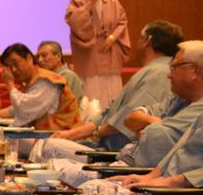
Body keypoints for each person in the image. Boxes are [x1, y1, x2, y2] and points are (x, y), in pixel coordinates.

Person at [42, 41, 203, 187]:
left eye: (175, 67)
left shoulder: (159, 76)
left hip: (143, 175)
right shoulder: (177, 99)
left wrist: (147, 128)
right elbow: (131, 117)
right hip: (128, 164)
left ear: (195, 70)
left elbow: (155, 138)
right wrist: (152, 122)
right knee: (50, 152)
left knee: (69, 176)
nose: (169, 74)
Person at [47, 20, 181, 147]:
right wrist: (72, 134)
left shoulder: (160, 73)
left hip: (120, 152)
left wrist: (94, 134)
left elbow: (129, 117)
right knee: (50, 144)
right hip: (107, 146)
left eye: (141, 38)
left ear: (148, 41)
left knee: (49, 147)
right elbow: (110, 112)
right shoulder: (154, 70)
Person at [0, 43, 82, 131]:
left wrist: (10, 84)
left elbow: (24, 110)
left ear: (29, 58)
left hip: (59, 137)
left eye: (15, 63)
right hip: (39, 133)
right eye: (10, 67)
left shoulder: (47, 80)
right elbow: (20, 108)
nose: (14, 70)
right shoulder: (33, 80)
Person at [65, 0, 129, 109]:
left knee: (111, 88)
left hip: (110, 49)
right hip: (89, 51)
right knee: (91, 89)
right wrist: (91, 2)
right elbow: (74, 22)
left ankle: (111, 118)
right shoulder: (77, 1)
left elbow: (122, 21)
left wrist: (112, 38)